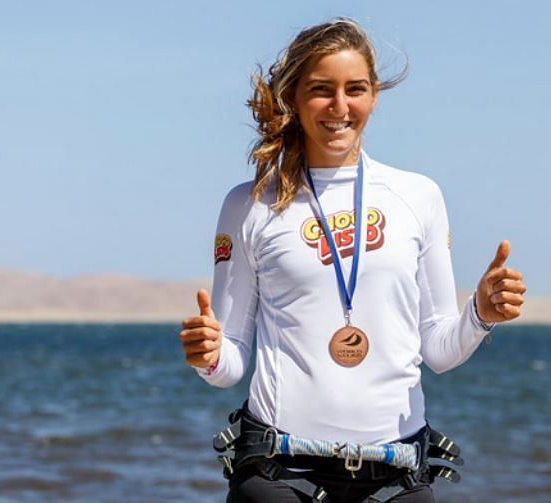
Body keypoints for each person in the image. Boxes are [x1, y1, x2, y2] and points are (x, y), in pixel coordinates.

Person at [179, 18, 526, 503]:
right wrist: (208, 355)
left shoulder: (417, 196)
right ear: (293, 98)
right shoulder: (251, 203)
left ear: (374, 96)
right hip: (280, 475)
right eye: (321, 90)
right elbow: (231, 359)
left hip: (396, 477)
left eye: (355, 89)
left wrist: (480, 315)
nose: (340, 107)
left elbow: (441, 351)